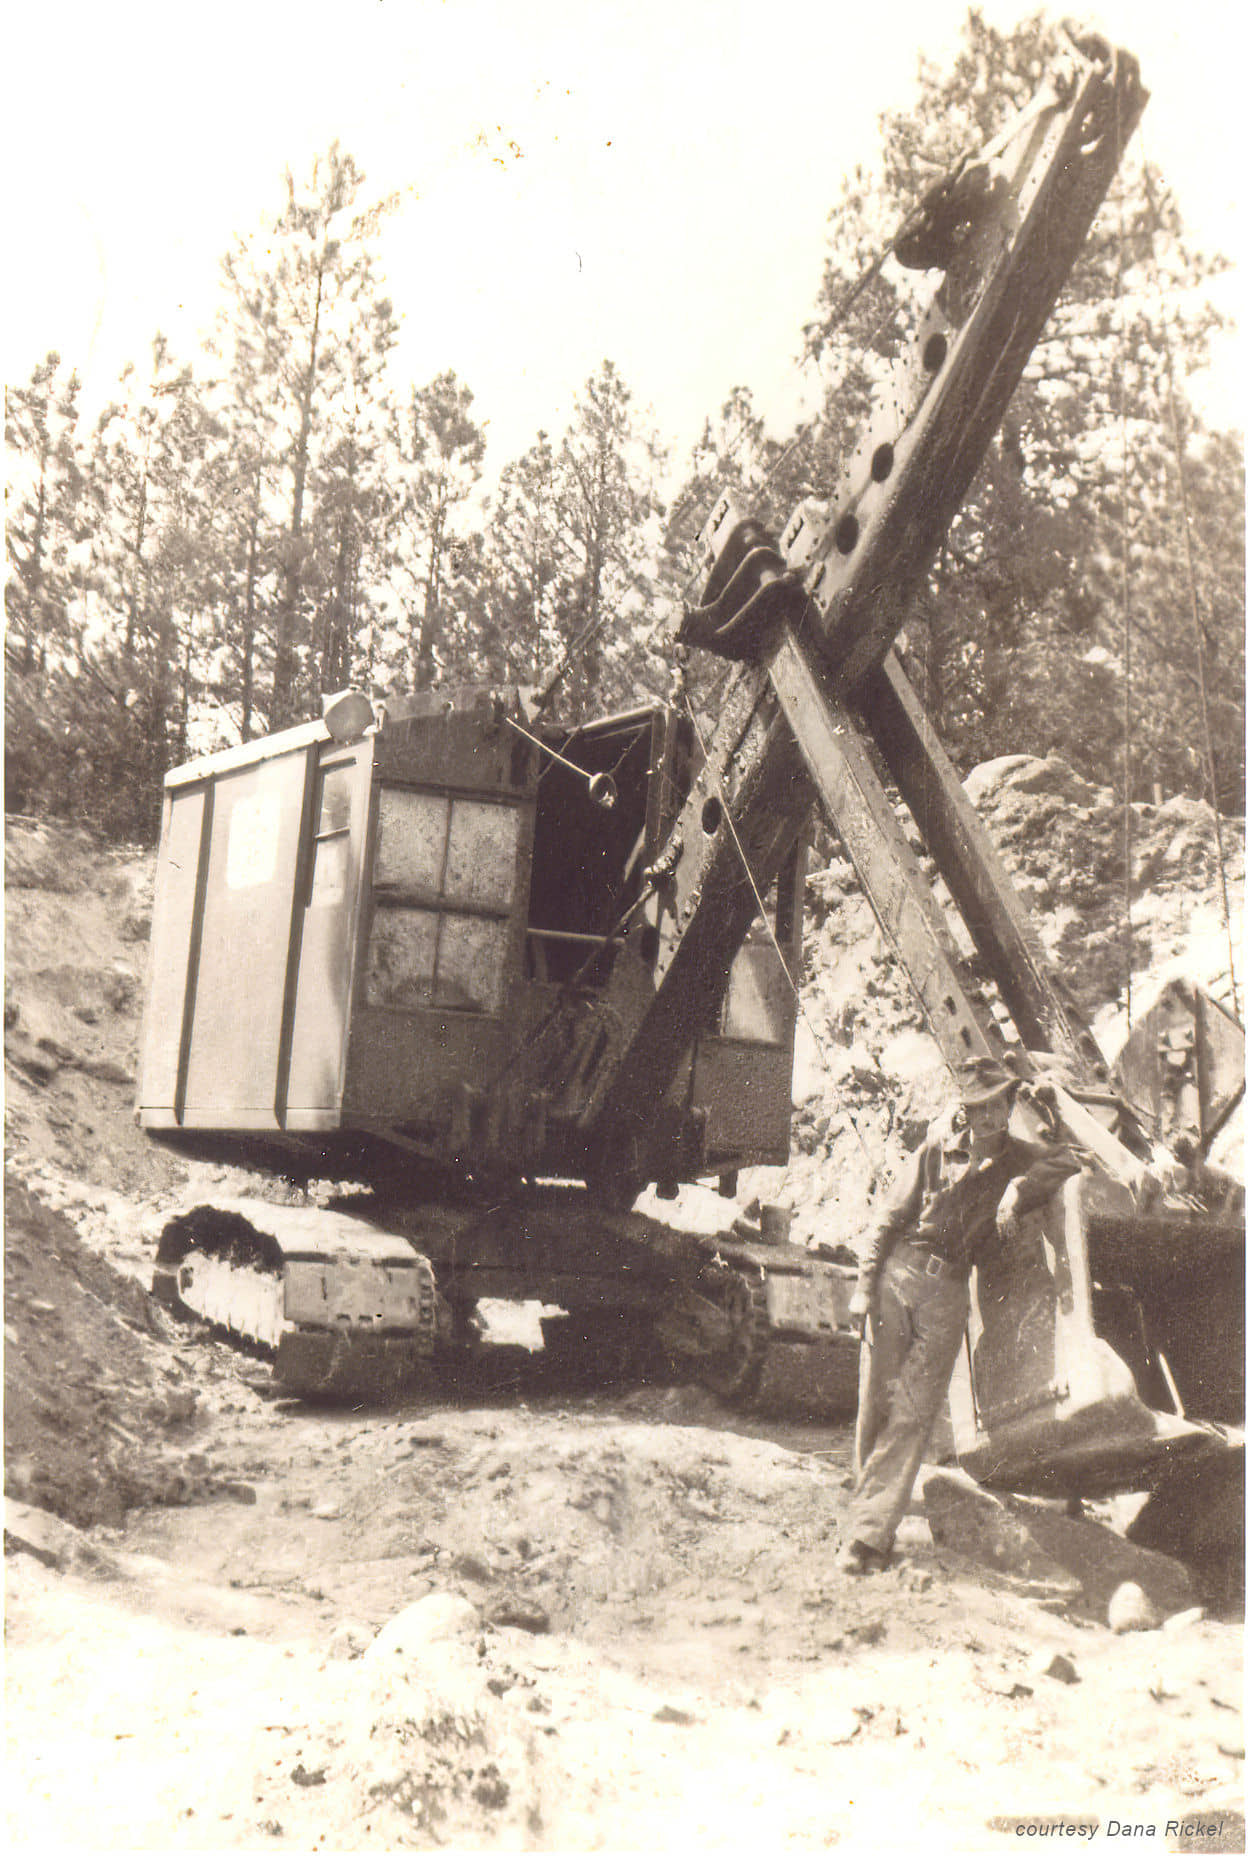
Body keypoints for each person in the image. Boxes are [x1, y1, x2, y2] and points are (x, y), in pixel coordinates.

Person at [840, 1056, 1081, 1575]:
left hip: (949, 1295)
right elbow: (888, 1218)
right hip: (898, 1279)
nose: (991, 1115)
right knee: (875, 1399)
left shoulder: (1019, 1158)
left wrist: (1020, 1188)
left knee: (915, 1411)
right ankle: (867, 1508)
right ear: (965, 1111)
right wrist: (863, 1287)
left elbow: (1069, 1159)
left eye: (999, 1104)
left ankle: (865, 1536)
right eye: (980, 1107)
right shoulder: (936, 1150)